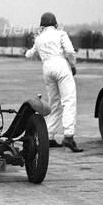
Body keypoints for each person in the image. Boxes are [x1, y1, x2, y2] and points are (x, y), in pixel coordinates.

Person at [25, 12, 82, 152]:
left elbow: (29, 54)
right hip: (60, 65)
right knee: (68, 101)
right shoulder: (60, 34)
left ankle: (49, 136)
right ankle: (68, 136)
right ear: (55, 23)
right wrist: (73, 66)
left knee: (54, 103)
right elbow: (69, 51)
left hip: (47, 69)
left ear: (42, 25)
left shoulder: (39, 38)